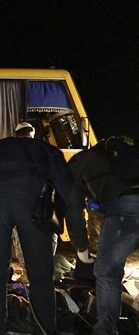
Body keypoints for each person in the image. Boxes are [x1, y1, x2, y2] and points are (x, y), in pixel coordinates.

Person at [0, 122, 92, 335]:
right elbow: (72, 198)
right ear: (33, 134)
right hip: (28, 203)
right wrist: (81, 246)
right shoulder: (46, 150)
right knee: (40, 275)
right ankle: (46, 330)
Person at [66, 135, 139, 334]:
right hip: (126, 204)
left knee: (107, 272)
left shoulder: (80, 162)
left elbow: (73, 208)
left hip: (126, 207)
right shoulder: (126, 158)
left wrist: (81, 247)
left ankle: (106, 330)